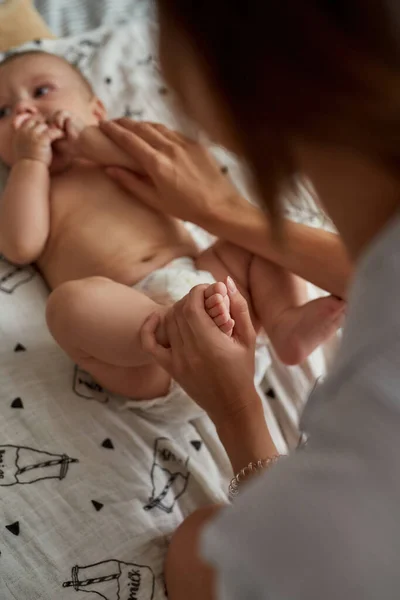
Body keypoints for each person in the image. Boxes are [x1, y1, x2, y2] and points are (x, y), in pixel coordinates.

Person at [97, 1, 400, 599]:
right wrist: (222, 212)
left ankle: (284, 322)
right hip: (162, 296)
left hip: (183, 305)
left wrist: (237, 410)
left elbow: (291, 564)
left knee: (194, 549)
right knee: (77, 305)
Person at [0, 51, 346, 401]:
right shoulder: (29, 186)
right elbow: (21, 245)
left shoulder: (114, 154)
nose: (23, 111)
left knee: (255, 241)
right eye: (3, 112)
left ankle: (284, 323)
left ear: (96, 110)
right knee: (68, 305)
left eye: (41, 91)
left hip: (214, 292)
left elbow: (167, 175)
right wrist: (30, 164)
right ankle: (173, 329)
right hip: (144, 345)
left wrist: (91, 141)